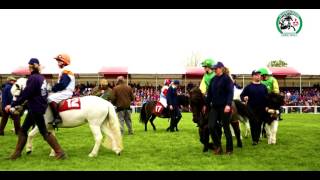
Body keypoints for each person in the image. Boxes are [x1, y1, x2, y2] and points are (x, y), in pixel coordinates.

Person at [7, 58, 65, 160]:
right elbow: (44, 93)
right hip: (37, 107)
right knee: (23, 130)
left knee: (43, 132)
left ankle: (59, 152)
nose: (28, 68)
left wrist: (14, 104)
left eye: (29, 66)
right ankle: (17, 153)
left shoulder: (33, 78)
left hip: (35, 108)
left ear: (31, 67)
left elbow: (26, 93)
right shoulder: (41, 78)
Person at [205, 61, 234, 155]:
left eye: (216, 68)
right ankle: (218, 146)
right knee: (211, 126)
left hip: (224, 107)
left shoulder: (227, 79)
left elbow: (230, 92)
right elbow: (209, 94)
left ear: (221, 68)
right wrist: (206, 105)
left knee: (226, 128)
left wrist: (228, 104)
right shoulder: (213, 80)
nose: (214, 70)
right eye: (213, 69)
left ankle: (229, 149)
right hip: (215, 107)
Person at [240, 70, 268, 145]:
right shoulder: (248, 87)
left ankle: (257, 138)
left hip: (261, 109)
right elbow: (242, 96)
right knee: (253, 123)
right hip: (251, 108)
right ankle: (254, 140)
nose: (258, 76)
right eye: (256, 75)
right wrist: (244, 98)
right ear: (252, 76)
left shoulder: (264, 87)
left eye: (259, 75)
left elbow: (267, 98)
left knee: (259, 124)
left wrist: (267, 106)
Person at [48, 53, 75, 127]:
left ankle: (57, 118)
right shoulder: (64, 70)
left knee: (50, 98)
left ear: (64, 62)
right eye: (57, 61)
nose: (57, 63)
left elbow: (63, 85)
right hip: (63, 91)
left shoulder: (67, 70)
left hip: (66, 92)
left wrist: (52, 89)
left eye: (59, 61)